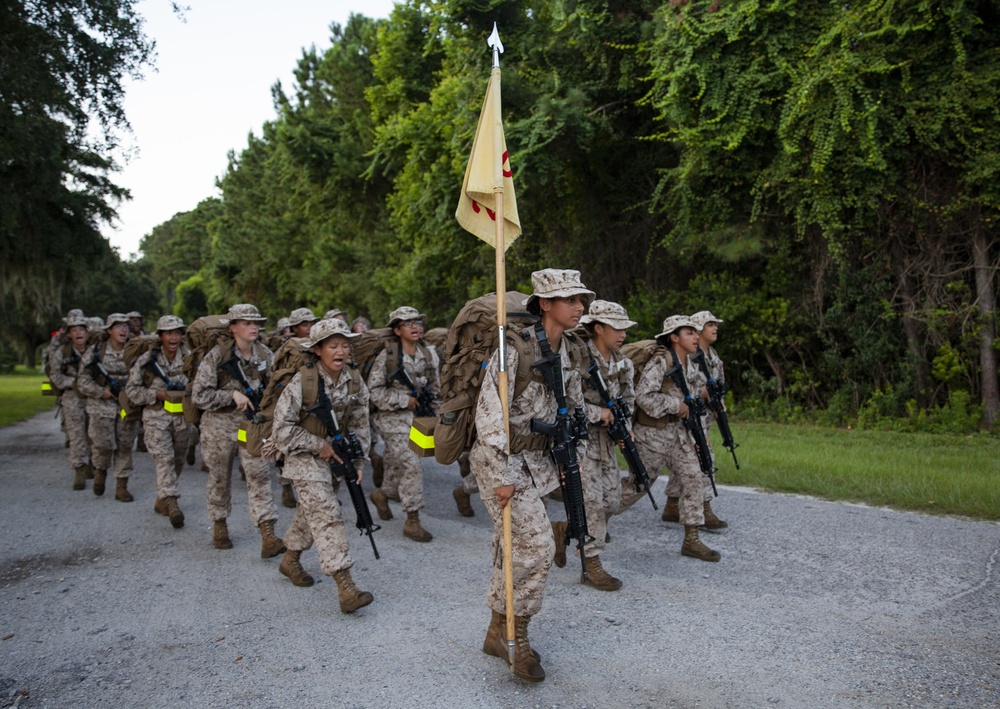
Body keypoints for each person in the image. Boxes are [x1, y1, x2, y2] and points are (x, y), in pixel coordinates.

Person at [470, 268, 593, 682]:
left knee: (511, 547)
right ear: (545, 304)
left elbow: (572, 406)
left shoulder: (571, 349)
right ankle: (516, 637)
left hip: (538, 461)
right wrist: (502, 473)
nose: (579, 307)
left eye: (581, 300)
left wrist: (574, 453)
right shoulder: (512, 349)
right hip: (499, 461)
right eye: (569, 299)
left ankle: (493, 630)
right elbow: (488, 414)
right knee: (536, 546)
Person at [272, 318, 374, 614]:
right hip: (305, 456)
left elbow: (360, 423)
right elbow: (281, 430)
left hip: (338, 457)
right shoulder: (302, 382)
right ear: (317, 350)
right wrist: (320, 446)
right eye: (333, 345)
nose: (340, 351)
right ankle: (346, 586)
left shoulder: (354, 379)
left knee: (311, 512)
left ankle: (289, 559)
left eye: (344, 344)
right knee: (327, 514)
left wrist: (358, 461)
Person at [621, 314, 721, 562]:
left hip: (681, 434)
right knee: (637, 488)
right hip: (653, 435)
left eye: (695, 332)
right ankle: (592, 522)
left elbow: (694, 400)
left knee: (694, 478)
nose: (696, 337)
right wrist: (675, 406)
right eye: (689, 333)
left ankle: (692, 539)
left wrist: (701, 433)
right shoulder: (661, 362)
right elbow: (643, 397)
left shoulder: (691, 364)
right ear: (674, 337)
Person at [556, 299, 638, 591]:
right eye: (617, 328)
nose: (623, 335)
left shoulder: (623, 362)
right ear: (598, 328)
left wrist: (623, 425)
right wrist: (597, 413)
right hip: (582, 439)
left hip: (607, 439)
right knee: (591, 502)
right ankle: (591, 565)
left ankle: (565, 529)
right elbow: (565, 402)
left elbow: (629, 398)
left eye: (625, 329)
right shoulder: (578, 359)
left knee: (611, 501)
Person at [190, 303, 284, 557]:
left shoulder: (265, 354)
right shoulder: (216, 356)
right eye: (246, 323)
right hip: (218, 426)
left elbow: (277, 387)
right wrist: (230, 395)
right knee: (220, 477)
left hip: (251, 426)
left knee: (259, 475)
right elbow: (199, 396)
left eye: (256, 323)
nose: (253, 327)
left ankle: (268, 533)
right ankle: (220, 524)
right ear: (233, 328)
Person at [367, 306, 440, 542]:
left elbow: (434, 390)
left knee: (396, 465)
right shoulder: (387, 357)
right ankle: (412, 520)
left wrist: (439, 416)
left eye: (417, 322)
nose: (415, 326)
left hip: (418, 419)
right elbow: (374, 392)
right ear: (397, 330)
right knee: (411, 464)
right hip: (391, 419)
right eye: (408, 323)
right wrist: (402, 399)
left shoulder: (429, 355)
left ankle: (383, 494)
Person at [659, 310, 728, 529]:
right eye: (709, 325)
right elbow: (688, 389)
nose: (714, 328)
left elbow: (719, 383)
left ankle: (673, 505)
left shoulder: (713, 355)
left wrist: (720, 401)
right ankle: (703, 509)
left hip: (702, 415)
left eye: (714, 324)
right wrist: (702, 394)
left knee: (690, 462)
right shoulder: (688, 357)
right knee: (700, 460)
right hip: (688, 415)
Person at [124, 316, 190, 529]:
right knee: (164, 459)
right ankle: (172, 502)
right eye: (169, 333)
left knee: (178, 459)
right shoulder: (146, 360)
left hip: (181, 419)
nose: (173, 337)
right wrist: (158, 394)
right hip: (155, 418)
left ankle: (162, 499)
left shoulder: (189, 358)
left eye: (177, 333)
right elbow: (132, 391)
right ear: (160, 335)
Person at [75, 313, 140, 501]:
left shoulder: (135, 350)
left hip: (127, 406)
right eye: (118, 326)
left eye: (126, 326)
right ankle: (100, 472)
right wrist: (100, 391)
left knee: (125, 445)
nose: (123, 330)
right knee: (102, 445)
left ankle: (121, 486)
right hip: (101, 407)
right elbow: (83, 380)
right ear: (109, 330)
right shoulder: (97, 352)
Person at [48, 312, 92, 489]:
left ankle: (95, 465)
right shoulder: (62, 353)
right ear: (69, 334)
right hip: (72, 397)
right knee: (76, 434)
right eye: (74, 330)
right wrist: (71, 383)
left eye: (81, 329)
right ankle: (80, 468)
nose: (78, 333)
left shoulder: (95, 350)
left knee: (95, 434)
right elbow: (55, 375)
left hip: (93, 396)